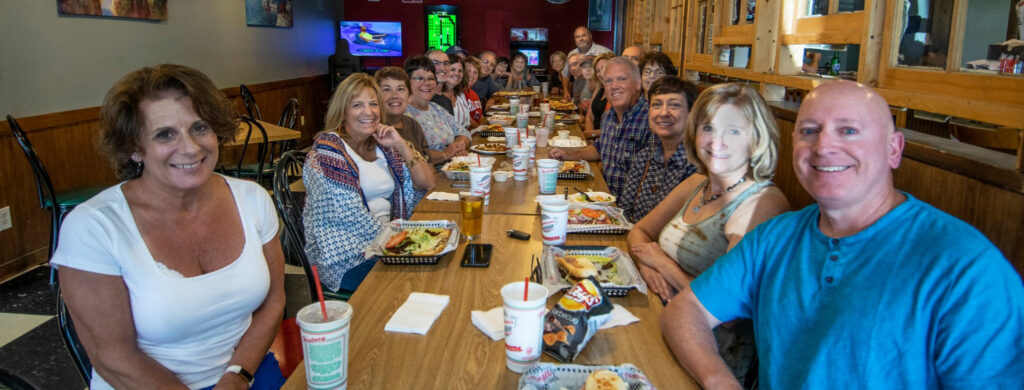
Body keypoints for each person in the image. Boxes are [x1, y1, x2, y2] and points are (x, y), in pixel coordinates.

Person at [662, 81, 1024, 389]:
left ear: (894, 149)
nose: (823, 147)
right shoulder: (775, 237)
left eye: (848, 130)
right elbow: (686, 310)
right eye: (809, 131)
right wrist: (719, 381)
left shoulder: (967, 266)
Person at [52, 64, 287, 389]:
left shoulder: (252, 198)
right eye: (165, 134)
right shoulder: (94, 227)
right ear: (134, 147)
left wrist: (237, 375)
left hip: (247, 373)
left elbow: (273, 301)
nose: (190, 148)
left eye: (199, 127)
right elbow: (113, 358)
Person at [628, 83, 789, 386]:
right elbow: (639, 231)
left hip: (707, 361)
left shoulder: (762, 202)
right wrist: (647, 266)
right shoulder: (698, 183)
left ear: (756, 139)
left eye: (734, 131)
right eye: (709, 128)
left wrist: (663, 265)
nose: (718, 141)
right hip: (657, 322)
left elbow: (728, 313)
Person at [303, 74, 435, 294]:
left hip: (387, 241)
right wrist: (404, 243)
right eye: (357, 105)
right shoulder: (326, 154)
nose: (369, 112)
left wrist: (402, 145)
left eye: (373, 104)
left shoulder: (384, 147)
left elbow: (427, 183)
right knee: (423, 273)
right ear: (342, 111)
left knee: (441, 260)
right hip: (346, 256)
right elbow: (350, 217)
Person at [549, 57, 650, 200]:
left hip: (630, 208)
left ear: (638, 83)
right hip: (604, 197)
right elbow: (600, 148)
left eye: (621, 79)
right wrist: (566, 155)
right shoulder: (608, 116)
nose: (614, 86)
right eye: (608, 81)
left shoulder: (651, 121)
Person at [617, 76, 701, 223]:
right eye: (656, 105)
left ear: (691, 113)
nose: (663, 113)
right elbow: (624, 211)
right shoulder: (645, 156)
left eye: (674, 105)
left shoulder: (698, 165)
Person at [403, 56, 471, 160]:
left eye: (431, 78)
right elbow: (411, 154)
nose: (426, 83)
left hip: (453, 167)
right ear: (407, 82)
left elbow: (464, 132)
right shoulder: (403, 114)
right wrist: (446, 154)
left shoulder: (437, 109)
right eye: (419, 78)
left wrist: (458, 145)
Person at [374, 67, 433, 161]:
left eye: (400, 89)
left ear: (409, 97)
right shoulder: (374, 131)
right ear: (376, 97)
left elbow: (429, 166)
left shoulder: (414, 125)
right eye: (386, 90)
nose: (394, 95)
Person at [582, 52, 616, 139]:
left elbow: (614, 129)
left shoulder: (617, 91)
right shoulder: (599, 87)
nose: (601, 73)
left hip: (606, 140)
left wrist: (592, 134)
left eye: (603, 68)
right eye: (597, 70)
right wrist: (590, 137)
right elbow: (589, 116)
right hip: (593, 140)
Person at [445, 56, 483, 129]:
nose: (457, 73)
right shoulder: (437, 97)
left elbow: (471, 119)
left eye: (460, 71)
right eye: (453, 69)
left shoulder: (460, 95)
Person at [426, 50, 454, 115]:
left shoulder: (447, 102)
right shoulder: (420, 99)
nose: (442, 68)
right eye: (435, 63)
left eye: (445, 63)